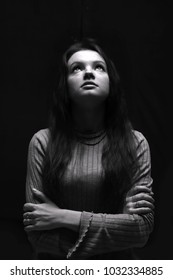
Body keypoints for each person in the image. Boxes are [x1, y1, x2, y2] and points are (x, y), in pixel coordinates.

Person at [23, 38, 154, 260]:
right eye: (76, 68)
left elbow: (140, 231)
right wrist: (118, 225)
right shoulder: (42, 142)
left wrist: (63, 217)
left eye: (98, 67)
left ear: (110, 81)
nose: (89, 73)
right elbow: (38, 236)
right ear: (65, 83)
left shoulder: (136, 143)